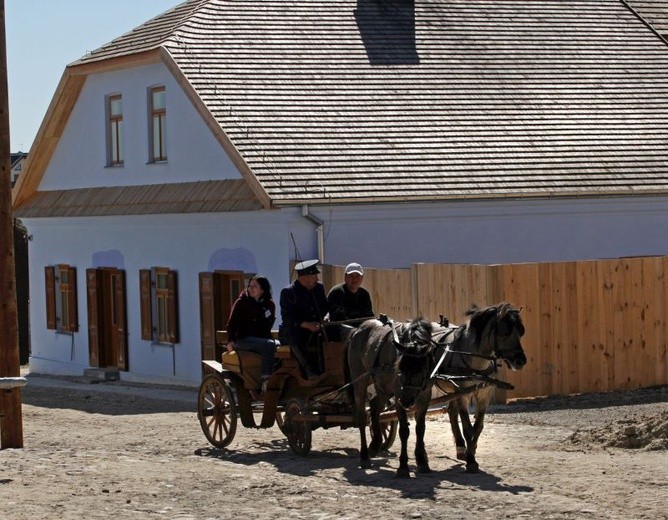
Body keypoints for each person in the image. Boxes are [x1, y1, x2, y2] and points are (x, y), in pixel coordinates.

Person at [225, 275, 279, 393]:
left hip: (262, 339)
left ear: (263, 289)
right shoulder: (241, 302)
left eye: (255, 286)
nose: (251, 288)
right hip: (244, 339)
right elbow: (232, 323)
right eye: (250, 286)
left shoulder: (269, 305)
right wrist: (230, 340)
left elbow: (268, 325)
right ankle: (266, 379)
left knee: (282, 345)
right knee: (269, 344)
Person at [279, 259, 329, 379]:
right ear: (304, 278)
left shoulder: (319, 288)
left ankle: (329, 369)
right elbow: (288, 317)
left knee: (334, 334)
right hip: (297, 330)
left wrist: (326, 318)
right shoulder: (288, 292)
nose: (317, 279)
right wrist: (307, 325)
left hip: (318, 328)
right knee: (295, 336)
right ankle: (308, 370)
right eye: (314, 277)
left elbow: (326, 308)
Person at [326, 262, 374, 341]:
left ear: (362, 278)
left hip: (361, 330)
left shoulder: (364, 294)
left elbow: (368, 315)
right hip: (340, 331)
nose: (354, 279)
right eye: (351, 275)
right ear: (345, 277)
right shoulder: (337, 292)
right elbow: (338, 317)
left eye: (357, 276)